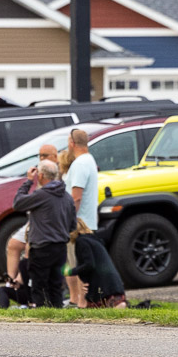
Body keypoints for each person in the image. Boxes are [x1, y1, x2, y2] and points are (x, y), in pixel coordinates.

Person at [12, 159, 75, 308]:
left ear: (40, 175)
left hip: (41, 247)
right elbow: (72, 225)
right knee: (56, 286)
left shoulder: (41, 195)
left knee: (39, 286)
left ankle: (42, 314)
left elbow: (18, 203)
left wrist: (28, 181)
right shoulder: (67, 197)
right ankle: (57, 313)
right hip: (60, 248)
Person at [5, 143, 59, 280]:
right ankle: (11, 280)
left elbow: (19, 203)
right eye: (39, 156)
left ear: (55, 157)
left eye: (45, 155)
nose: (41, 159)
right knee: (13, 244)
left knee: (30, 247)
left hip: (48, 224)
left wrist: (28, 182)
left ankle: (20, 283)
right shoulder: (41, 174)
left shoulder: (56, 176)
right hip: (35, 221)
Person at [65, 129, 99, 307]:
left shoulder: (80, 164)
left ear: (72, 143)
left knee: (77, 263)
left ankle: (82, 302)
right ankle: (79, 300)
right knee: (80, 263)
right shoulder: (89, 160)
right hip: (88, 222)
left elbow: (76, 197)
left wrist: (69, 221)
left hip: (79, 224)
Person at [67, 220, 127, 308]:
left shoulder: (81, 241)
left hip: (103, 286)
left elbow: (89, 264)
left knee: (96, 305)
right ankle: (118, 304)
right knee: (113, 302)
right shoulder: (94, 239)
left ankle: (118, 305)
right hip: (113, 284)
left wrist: (71, 271)